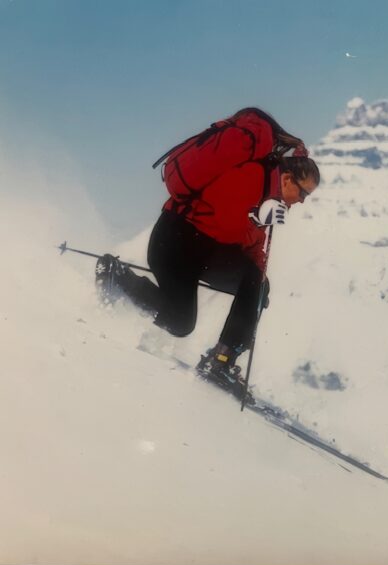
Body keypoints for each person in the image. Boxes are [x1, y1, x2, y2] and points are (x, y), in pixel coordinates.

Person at [96, 108, 320, 398]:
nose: (302, 201)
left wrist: (256, 286)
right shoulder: (254, 175)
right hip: (176, 241)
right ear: (288, 178)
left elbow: (250, 246)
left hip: (206, 251)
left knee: (257, 283)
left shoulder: (270, 198)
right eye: (303, 193)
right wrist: (255, 214)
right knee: (179, 323)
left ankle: (222, 360)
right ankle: (118, 277)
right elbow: (219, 213)